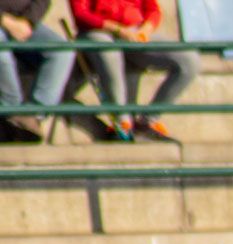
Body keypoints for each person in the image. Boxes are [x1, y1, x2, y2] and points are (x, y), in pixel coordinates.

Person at [69, 0, 199, 141]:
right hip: (98, 30)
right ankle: (122, 124)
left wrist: (145, 30)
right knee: (108, 52)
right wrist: (118, 30)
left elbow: (153, 10)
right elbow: (81, 14)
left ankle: (147, 122)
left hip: (134, 31)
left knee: (188, 60)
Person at [0, 0, 74, 141]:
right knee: (1, 52)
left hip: (22, 20)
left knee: (62, 50)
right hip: (4, 20)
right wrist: (6, 21)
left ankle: (33, 115)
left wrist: (28, 21)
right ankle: (12, 111)